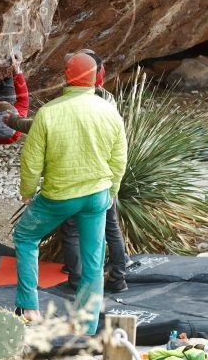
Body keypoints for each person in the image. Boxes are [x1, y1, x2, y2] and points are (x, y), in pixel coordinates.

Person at [12, 53, 128, 335]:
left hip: (59, 195)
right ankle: (87, 326)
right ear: (95, 77)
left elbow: (31, 161)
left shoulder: (49, 113)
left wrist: (27, 192)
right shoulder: (109, 110)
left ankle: (29, 308)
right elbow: (119, 157)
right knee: (94, 259)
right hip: (97, 195)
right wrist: (112, 189)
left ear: (66, 76)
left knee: (25, 237)